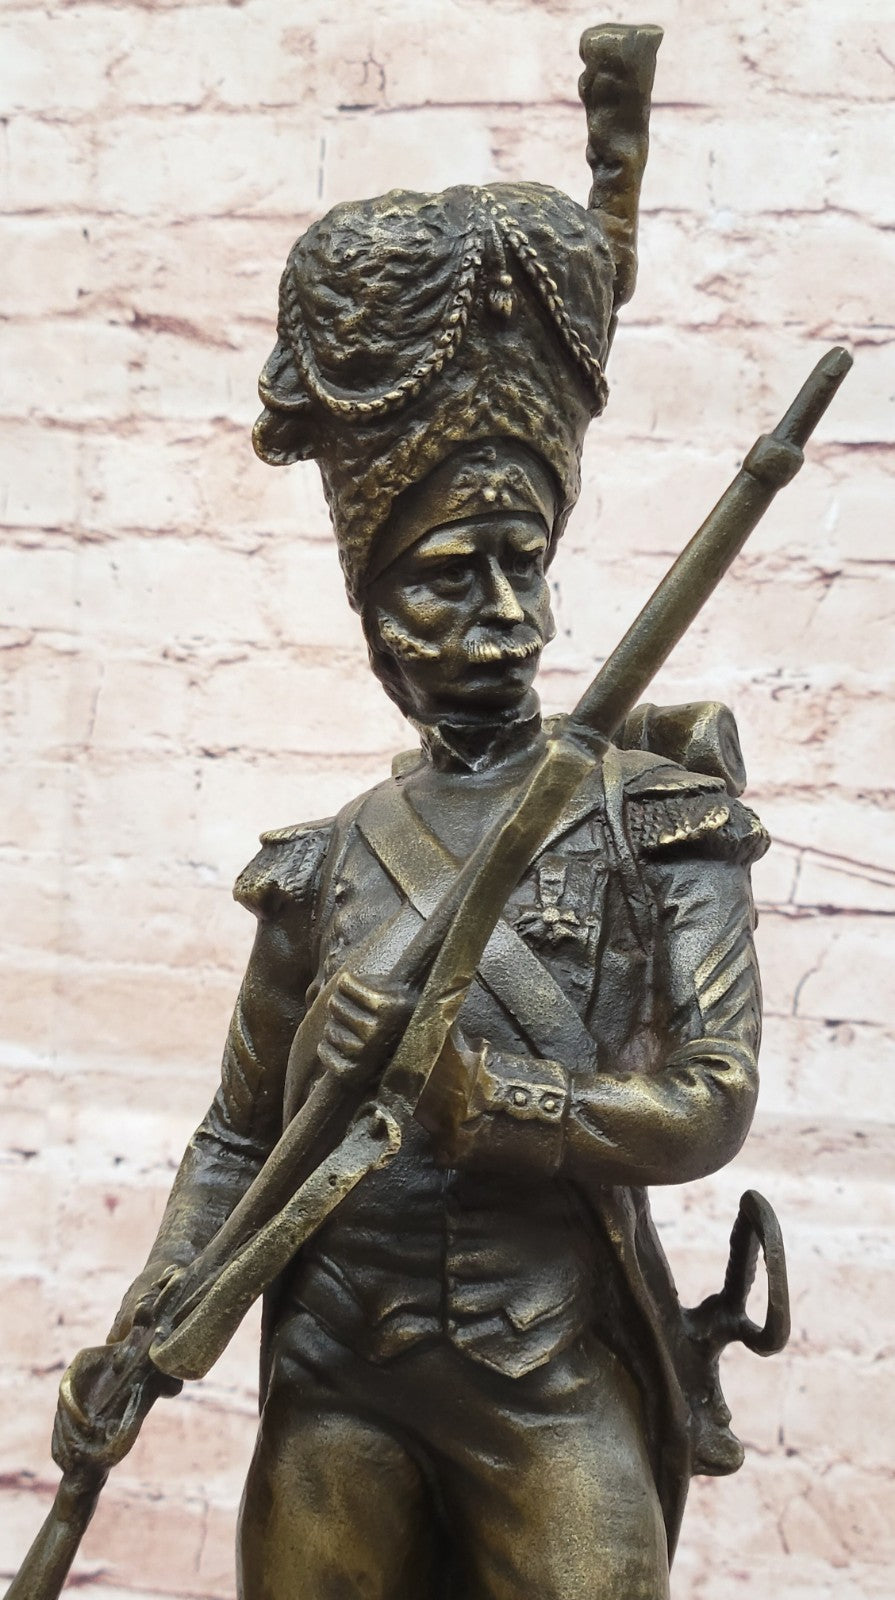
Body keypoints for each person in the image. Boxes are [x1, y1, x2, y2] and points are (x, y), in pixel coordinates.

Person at [53, 25, 778, 1600]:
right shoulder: (318, 872)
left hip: (549, 1378)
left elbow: (712, 1099)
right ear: (377, 612)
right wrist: (145, 1323)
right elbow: (240, 1132)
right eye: (448, 578)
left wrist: (495, 1104)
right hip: (337, 1376)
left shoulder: (659, 819)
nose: (499, 616)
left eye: (524, 566)